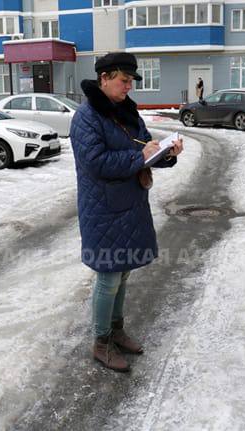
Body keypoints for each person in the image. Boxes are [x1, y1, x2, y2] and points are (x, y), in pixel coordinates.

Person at [70, 52, 184, 372]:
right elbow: (96, 162)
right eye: (124, 80)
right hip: (103, 210)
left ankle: (116, 331)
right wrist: (138, 158)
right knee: (108, 278)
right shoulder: (86, 117)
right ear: (104, 78)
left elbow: (144, 147)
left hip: (130, 204)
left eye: (131, 81)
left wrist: (166, 153)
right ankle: (100, 341)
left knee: (123, 274)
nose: (128, 87)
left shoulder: (126, 112)